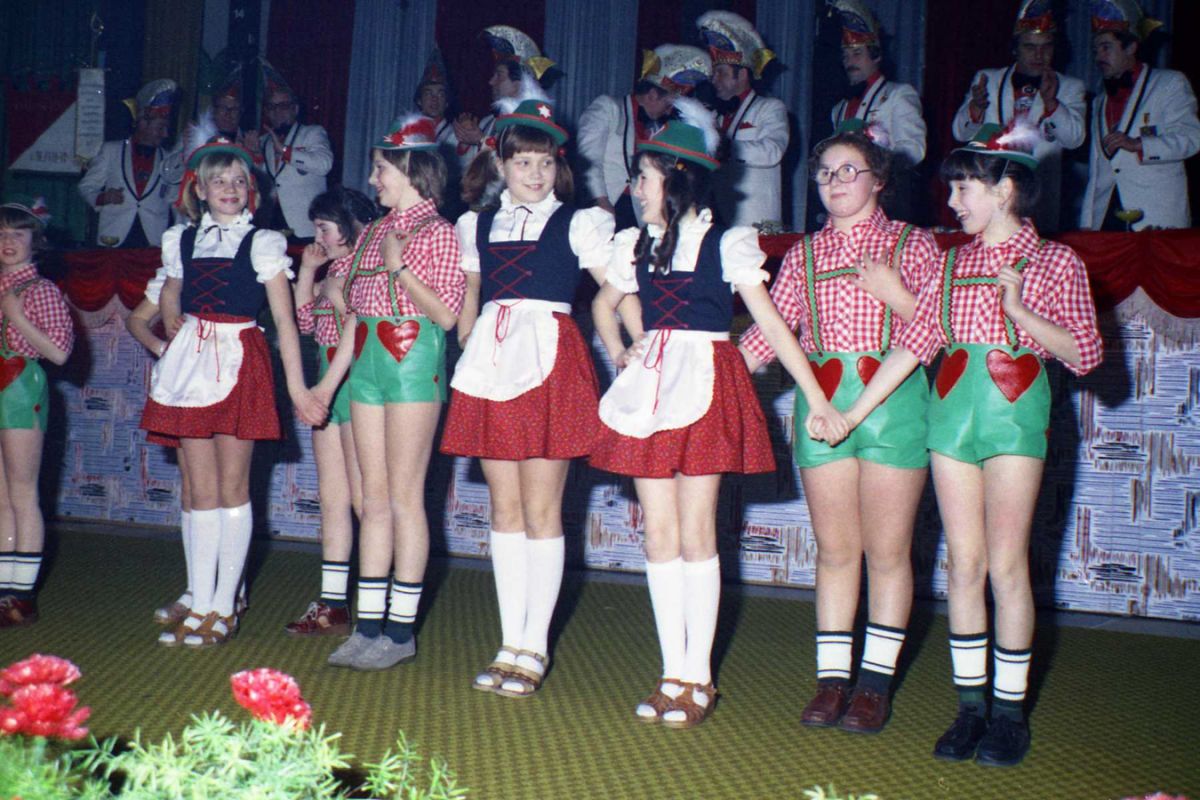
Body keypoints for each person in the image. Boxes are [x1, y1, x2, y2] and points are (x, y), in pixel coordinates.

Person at [838, 123, 1102, 766]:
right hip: (951, 421)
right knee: (963, 565)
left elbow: (1087, 354)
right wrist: (850, 414)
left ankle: (1009, 715)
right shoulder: (951, 263)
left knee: (1007, 567)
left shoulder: (1056, 262)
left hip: (1014, 422)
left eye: (964, 188)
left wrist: (1021, 313)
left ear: (1005, 189)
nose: (953, 201)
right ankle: (970, 707)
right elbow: (914, 346)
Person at [589, 100, 846, 729]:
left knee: (696, 531)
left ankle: (697, 677)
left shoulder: (727, 242)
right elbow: (604, 303)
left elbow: (774, 326)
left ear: (677, 180)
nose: (635, 189)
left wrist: (817, 398)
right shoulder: (635, 244)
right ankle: (669, 671)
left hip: (705, 382)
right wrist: (624, 349)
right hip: (653, 386)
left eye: (644, 178)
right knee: (658, 533)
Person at [739, 130, 939, 734]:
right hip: (822, 407)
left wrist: (895, 294)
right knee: (834, 549)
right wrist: (709, 370)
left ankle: (874, 685)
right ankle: (831, 681)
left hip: (894, 404)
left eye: (849, 170)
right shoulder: (804, 254)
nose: (835, 182)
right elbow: (770, 334)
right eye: (825, 172)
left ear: (879, 179)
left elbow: (942, 331)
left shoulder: (913, 243)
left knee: (888, 551)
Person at [442, 80, 614, 697]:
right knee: (505, 510)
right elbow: (470, 296)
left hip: (551, 360)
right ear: (501, 164)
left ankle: (533, 646)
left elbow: (616, 285)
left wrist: (636, 341)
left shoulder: (580, 222)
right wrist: (465, 345)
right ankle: (508, 640)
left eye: (545, 162)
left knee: (542, 511)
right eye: (523, 162)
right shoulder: (476, 224)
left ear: (557, 165)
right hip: (491, 362)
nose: (535, 174)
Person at [144, 123, 326, 648]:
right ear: (198, 189)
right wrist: (171, 318)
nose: (230, 188)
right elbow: (170, 294)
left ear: (252, 190)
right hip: (191, 363)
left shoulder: (263, 242)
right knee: (200, 491)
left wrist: (298, 389)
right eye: (219, 180)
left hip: (240, 359)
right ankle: (200, 602)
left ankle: (225, 605)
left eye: (239, 180)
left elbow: (285, 322)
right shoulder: (180, 240)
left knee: (232, 488)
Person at [316, 118, 465, 670]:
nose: (373, 179)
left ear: (410, 170)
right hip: (367, 364)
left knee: (405, 498)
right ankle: (368, 626)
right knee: (372, 500)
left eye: (381, 169)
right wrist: (327, 382)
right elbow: (352, 310)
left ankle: (400, 632)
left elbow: (446, 316)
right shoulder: (375, 231)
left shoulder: (439, 232)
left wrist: (400, 270)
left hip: (412, 362)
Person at [284, 187, 378, 637]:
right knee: (333, 497)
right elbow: (305, 322)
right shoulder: (334, 270)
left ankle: (379, 598)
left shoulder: (362, 268)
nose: (317, 237)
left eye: (325, 227)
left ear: (350, 225)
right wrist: (307, 271)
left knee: (363, 499)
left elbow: (359, 327)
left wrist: (326, 386)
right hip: (328, 382)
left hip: (353, 380)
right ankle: (333, 602)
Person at [0, 199, 74, 628]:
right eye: (1, 234)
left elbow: (60, 353)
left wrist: (16, 317)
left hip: (22, 388)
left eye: (18, 233)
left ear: (35, 240)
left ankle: (23, 597)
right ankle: (4, 590)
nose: (8, 241)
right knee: (1, 497)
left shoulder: (40, 290)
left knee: (23, 493)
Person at [952, 0, 1086, 232]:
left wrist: (1052, 104)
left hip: (1040, 195)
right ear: (1015, 49)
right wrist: (975, 108)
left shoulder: (1070, 87)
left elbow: (1075, 139)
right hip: (990, 194)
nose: (1039, 55)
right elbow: (960, 132)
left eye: (1046, 47)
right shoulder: (988, 79)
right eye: (1030, 47)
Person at [1079, 0, 1200, 231]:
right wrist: (1087, 223)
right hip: (1106, 221)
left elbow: (1193, 138)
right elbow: (1097, 171)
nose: (1098, 57)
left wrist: (1139, 144)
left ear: (1131, 48)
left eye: (1106, 47)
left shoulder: (1169, 83)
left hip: (1157, 219)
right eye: (1096, 50)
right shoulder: (1099, 100)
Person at [577, 43, 712, 229]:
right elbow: (588, 159)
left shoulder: (660, 127)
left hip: (637, 211)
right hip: (604, 204)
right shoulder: (608, 108)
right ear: (652, 95)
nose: (669, 110)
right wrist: (601, 201)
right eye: (668, 104)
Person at [827, 0, 926, 219]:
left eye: (857, 53)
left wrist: (877, 163)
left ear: (876, 56)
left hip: (887, 201)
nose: (849, 62)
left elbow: (914, 149)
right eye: (845, 55)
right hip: (847, 202)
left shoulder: (898, 95)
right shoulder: (839, 109)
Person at [697, 10, 789, 228]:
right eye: (714, 74)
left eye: (721, 72)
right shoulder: (715, 116)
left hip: (756, 225)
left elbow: (773, 150)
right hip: (721, 220)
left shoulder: (770, 108)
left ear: (742, 74)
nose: (714, 80)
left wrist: (729, 148)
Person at [78, 79, 183, 248]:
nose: (165, 134)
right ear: (142, 124)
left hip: (152, 242)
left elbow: (176, 201)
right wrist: (103, 197)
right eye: (160, 127)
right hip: (113, 240)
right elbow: (86, 186)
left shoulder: (170, 159)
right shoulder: (111, 151)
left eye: (166, 128)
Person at [453, 26, 553, 176]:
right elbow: (469, 172)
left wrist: (481, 140)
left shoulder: (536, 123)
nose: (491, 81)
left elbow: (523, 170)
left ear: (519, 82)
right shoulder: (488, 122)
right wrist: (467, 141)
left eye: (499, 75)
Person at [244, 82, 334, 240]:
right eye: (272, 107)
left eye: (283, 106)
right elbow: (266, 182)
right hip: (271, 225)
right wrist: (256, 154)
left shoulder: (312, 133)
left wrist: (286, 152)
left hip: (305, 226)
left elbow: (324, 165)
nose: (277, 112)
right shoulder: (264, 141)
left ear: (295, 109)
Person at [414, 49, 464, 217]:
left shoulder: (459, 135)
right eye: (429, 93)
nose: (434, 99)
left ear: (447, 102)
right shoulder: (407, 136)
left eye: (440, 94)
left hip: (448, 207)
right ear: (419, 100)